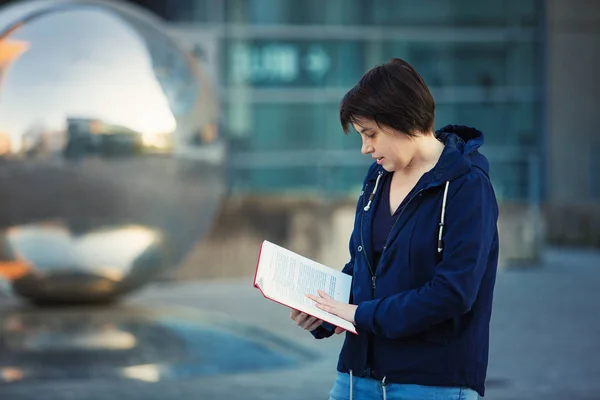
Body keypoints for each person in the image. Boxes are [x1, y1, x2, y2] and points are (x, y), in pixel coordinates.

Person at [291, 58, 499, 400]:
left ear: (403, 119)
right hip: (356, 379)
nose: (365, 148)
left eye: (370, 134)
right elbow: (365, 269)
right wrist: (326, 312)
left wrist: (359, 314)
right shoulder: (377, 178)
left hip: (432, 384)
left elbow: (453, 292)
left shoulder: (467, 187)